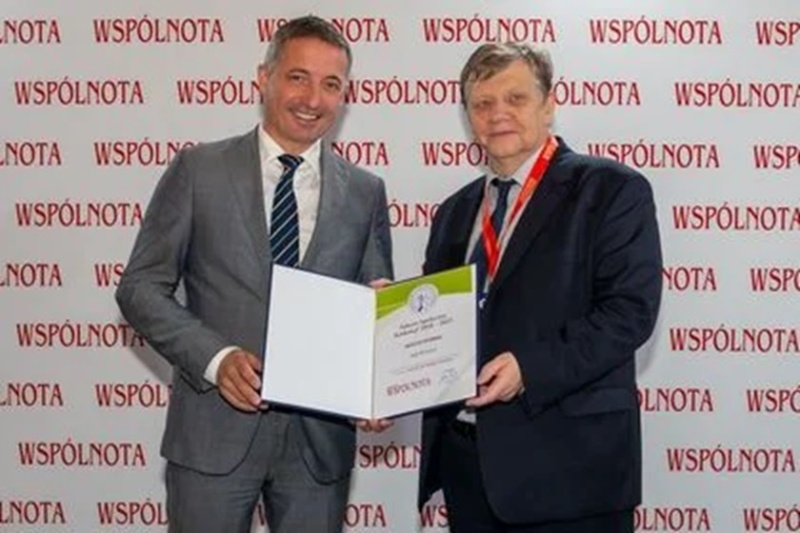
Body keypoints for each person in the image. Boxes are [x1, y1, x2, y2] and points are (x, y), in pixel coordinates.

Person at [115, 15, 393, 533]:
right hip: (213, 433)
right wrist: (217, 360)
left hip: (319, 446)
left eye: (331, 84)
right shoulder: (198, 170)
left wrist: (380, 379)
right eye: (298, 77)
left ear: (345, 95)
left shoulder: (365, 191)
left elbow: (374, 304)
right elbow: (140, 288)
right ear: (264, 78)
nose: (313, 98)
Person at [418, 42, 663, 532]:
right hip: (470, 474)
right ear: (468, 117)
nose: (498, 114)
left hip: (570, 475)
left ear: (549, 105)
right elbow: (440, 326)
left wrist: (529, 368)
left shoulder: (611, 190)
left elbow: (629, 313)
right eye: (483, 104)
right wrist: (392, 318)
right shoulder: (454, 212)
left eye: (516, 98)